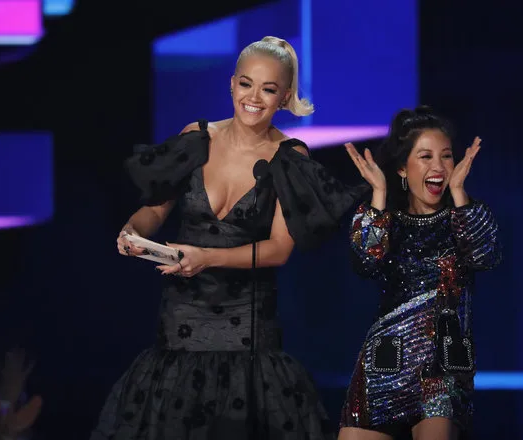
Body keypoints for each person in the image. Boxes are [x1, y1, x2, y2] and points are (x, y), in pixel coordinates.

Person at [90, 36, 364, 440]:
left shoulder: (290, 157)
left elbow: (278, 250)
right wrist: (134, 231)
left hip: (248, 341)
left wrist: (205, 257)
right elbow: (155, 208)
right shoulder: (197, 138)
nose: (254, 97)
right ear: (231, 84)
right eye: (246, 84)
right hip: (179, 333)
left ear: (284, 96)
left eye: (269, 89)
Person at [338, 106, 502, 440]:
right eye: (425, 156)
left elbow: (486, 256)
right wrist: (379, 196)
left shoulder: (465, 216)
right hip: (385, 361)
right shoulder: (388, 220)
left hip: (442, 367)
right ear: (403, 167)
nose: (438, 167)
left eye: (446, 156)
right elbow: (365, 263)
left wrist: (459, 194)